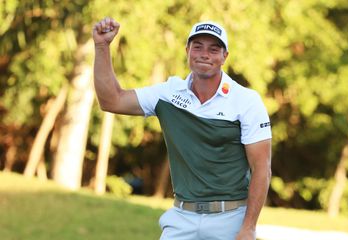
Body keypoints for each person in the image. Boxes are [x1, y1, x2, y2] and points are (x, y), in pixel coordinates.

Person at [93, 17, 272, 240]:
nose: (204, 54)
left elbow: (261, 169)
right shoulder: (168, 94)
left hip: (230, 218)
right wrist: (101, 47)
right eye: (197, 47)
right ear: (187, 50)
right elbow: (112, 100)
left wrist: (249, 227)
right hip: (181, 217)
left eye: (214, 49)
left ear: (225, 57)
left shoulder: (246, 101)